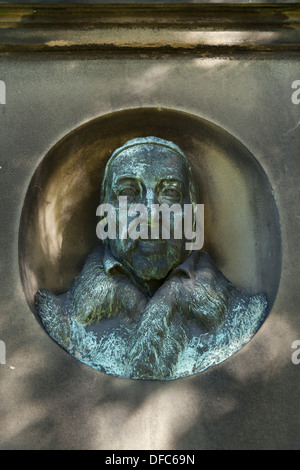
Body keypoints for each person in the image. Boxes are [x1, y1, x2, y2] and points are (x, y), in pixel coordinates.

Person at [35, 137, 267, 380]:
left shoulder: (242, 315)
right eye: (127, 192)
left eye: (170, 192)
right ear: (106, 216)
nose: (150, 214)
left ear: (193, 217)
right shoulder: (62, 317)